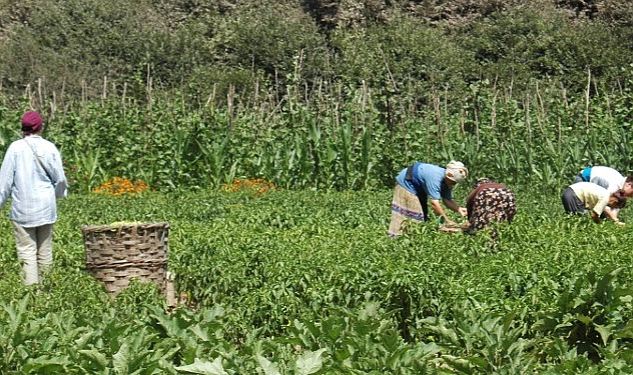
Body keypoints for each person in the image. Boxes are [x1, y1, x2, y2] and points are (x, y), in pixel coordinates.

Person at [0, 111, 68, 286]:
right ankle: (47, 292)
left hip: (23, 208)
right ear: (40, 127)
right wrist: (57, 196)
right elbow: (60, 179)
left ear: (23, 127)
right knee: (45, 251)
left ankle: (32, 295)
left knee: (26, 251)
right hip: (46, 206)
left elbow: (4, 182)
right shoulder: (49, 147)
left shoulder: (15, 148)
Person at [389, 160, 468, 237]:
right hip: (406, 184)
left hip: (418, 188)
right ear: (449, 175)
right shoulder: (435, 178)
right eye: (453, 182)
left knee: (422, 214)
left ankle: (412, 237)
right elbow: (434, 204)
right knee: (414, 216)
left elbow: (447, 200)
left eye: (455, 183)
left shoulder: (448, 182)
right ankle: (398, 237)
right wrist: (447, 221)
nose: (453, 185)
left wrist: (459, 209)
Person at [561, 181, 626, 225]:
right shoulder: (605, 198)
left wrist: (615, 220)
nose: (612, 208)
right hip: (574, 195)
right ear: (615, 202)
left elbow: (604, 210)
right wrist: (600, 224)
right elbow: (594, 216)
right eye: (615, 207)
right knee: (578, 223)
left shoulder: (606, 194)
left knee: (575, 221)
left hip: (571, 192)